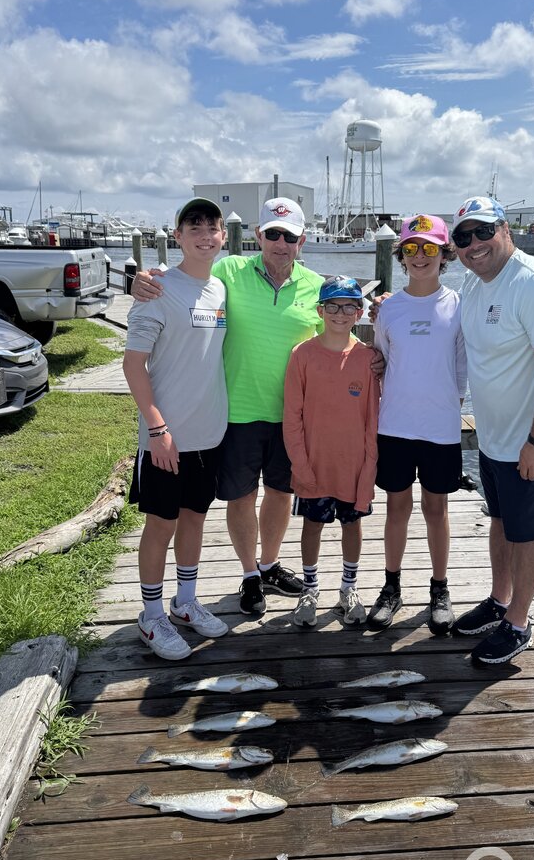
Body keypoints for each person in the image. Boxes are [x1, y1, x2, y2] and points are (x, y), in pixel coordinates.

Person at [130, 197, 322, 615]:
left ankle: (269, 565)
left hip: (291, 415)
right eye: (273, 234)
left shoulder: (316, 285)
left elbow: (337, 336)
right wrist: (141, 280)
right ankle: (250, 574)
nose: (281, 243)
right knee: (241, 496)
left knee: (280, 493)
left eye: (289, 236)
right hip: (234, 413)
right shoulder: (228, 271)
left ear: (302, 241)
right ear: (258, 236)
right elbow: (183, 276)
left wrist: (373, 352)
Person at [450, 195, 534, 664]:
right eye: (463, 237)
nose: (474, 244)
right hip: (495, 439)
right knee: (501, 521)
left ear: (506, 230)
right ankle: (498, 601)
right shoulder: (473, 283)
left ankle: (519, 622)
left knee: (528, 533)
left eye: (484, 231)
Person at [123, 197, 229, 659]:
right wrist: (157, 430)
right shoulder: (158, 289)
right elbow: (133, 366)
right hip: (165, 439)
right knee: (160, 524)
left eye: (212, 227)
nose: (205, 235)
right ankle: (150, 615)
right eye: (194, 227)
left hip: (209, 434)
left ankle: (185, 602)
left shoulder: (221, 288)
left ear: (223, 236)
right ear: (178, 236)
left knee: (194, 519)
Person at [367, 214, 468, 634]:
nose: (420, 256)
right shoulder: (388, 308)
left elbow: (462, 369)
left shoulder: (459, 305)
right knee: (396, 507)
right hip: (395, 424)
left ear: (445, 255)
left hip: (441, 427)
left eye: (429, 248)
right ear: (401, 255)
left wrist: (447, 407)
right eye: (411, 248)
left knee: (436, 508)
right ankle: (391, 587)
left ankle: (439, 589)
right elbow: (381, 360)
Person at [282, 276, 379, 627]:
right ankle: (310, 589)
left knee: (352, 525)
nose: (340, 313)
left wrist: (369, 470)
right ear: (320, 311)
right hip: (313, 466)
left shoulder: (368, 358)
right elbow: (292, 416)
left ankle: (348, 588)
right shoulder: (302, 355)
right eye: (333, 306)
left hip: (353, 468)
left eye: (349, 306)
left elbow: (373, 420)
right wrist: (300, 465)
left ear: (359, 313)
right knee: (313, 526)